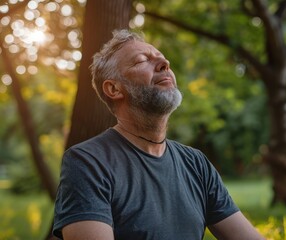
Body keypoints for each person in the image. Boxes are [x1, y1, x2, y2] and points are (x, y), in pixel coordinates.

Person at [53, 29, 264, 240]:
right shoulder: (87, 162)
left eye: (163, 59)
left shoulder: (196, 163)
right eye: (141, 61)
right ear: (114, 89)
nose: (165, 64)